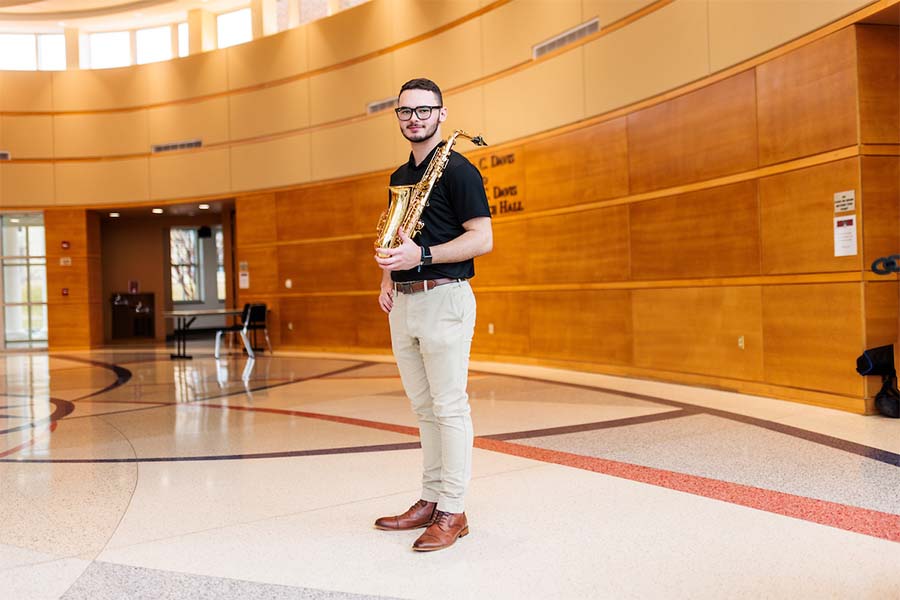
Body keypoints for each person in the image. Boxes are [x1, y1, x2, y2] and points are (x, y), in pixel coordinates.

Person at [373, 78, 493, 552]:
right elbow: (395, 238)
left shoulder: (459, 170)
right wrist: (387, 276)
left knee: (449, 408)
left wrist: (421, 257)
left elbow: (482, 239)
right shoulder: (400, 176)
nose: (414, 118)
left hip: (445, 297)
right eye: (405, 111)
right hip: (404, 302)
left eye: (424, 110)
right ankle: (429, 498)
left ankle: (453, 510)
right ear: (398, 117)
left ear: (441, 114)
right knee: (424, 410)